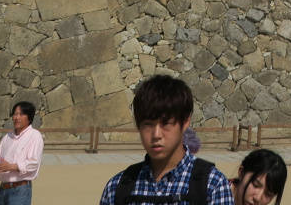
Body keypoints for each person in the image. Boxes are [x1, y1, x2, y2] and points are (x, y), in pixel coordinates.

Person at [99, 75, 234, 205]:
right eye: (148, 124)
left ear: (185, 122)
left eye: (166, 123)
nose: (156, 134)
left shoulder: (212, 185)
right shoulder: (116, 188)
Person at [0, 101, 43, 204]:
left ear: (29, 117)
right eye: (15, 114)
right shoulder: (7, 137)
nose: (16, 117)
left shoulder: (35, 136)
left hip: (20, 190)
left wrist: (12, 166)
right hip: (3, 189)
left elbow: (33, 163)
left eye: (21, 114)